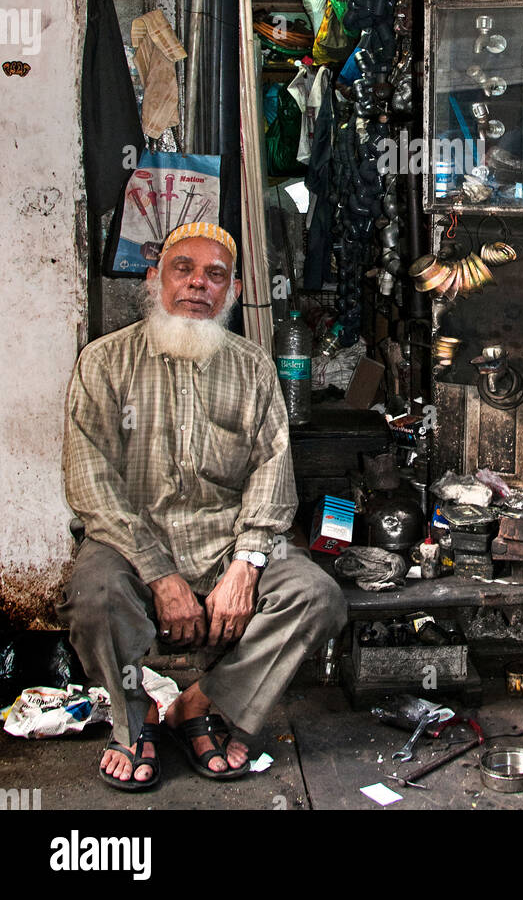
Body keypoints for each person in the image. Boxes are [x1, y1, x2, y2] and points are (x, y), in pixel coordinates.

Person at [58, 221, 346, 790]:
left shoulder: (254, 367)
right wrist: (159, 573)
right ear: (154, 279)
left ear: (231, 291)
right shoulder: (104, 361)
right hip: (131, 543)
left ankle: (204, 701)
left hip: (224, 541)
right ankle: (132, 714)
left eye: (215, 275)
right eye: (182, 269)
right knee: (92, 595)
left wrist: (247, 563)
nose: (198, 285)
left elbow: (271, 472)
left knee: (317, 596)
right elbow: (90, 481)